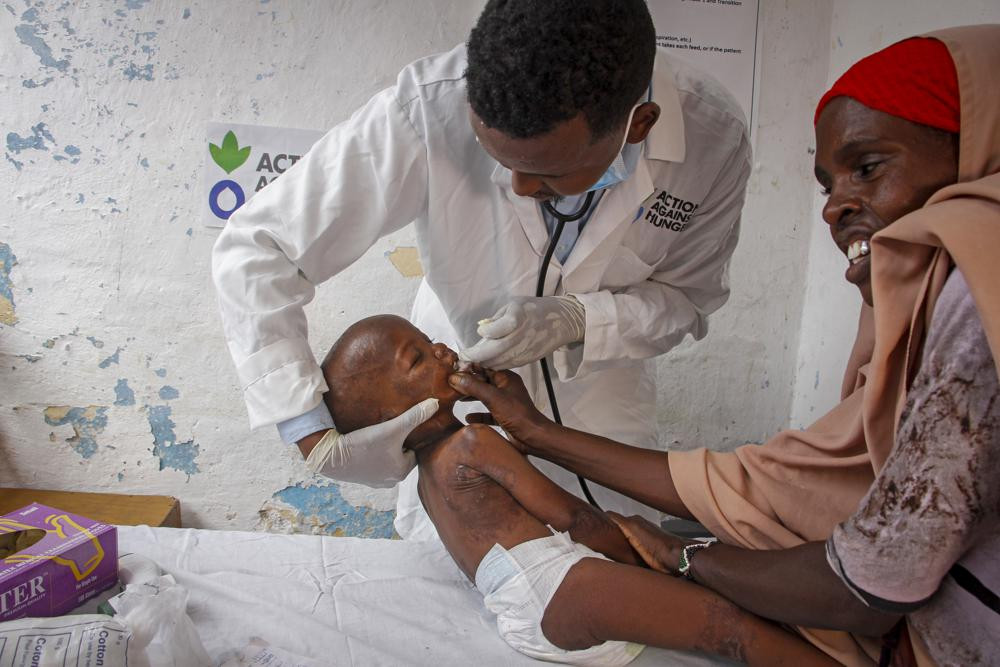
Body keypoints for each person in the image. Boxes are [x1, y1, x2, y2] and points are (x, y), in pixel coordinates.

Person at [450, 25, 1000, 665]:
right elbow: (774, 484)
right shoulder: (919, 317)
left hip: (919, 634)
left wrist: (684, 555)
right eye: (827, 186)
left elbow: (864, 584)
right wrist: (538, 434)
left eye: (868, 167)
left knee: (603, 592)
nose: (833, 209)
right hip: (905, 622)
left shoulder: (975, 302)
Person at [211, 0, 751, 531]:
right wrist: (311, 433)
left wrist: (577, 319)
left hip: (601, 403)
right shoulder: (427, 107)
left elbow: (686, 299)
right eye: (497, 158)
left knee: (613, 565)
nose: (516, 187)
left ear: (638, 126)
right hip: (452, 420)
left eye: (547, 173)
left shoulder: (714, 139)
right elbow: (259, 248)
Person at [320, 314, 836, 666]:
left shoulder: (425, 481)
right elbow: (572, 518)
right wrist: (632, 550)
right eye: (417, 359)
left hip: (523, 614)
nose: (439, 348)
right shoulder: (475, 442)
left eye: (426, 339)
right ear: (394, 417)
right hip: (563, 590)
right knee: (731, 627)